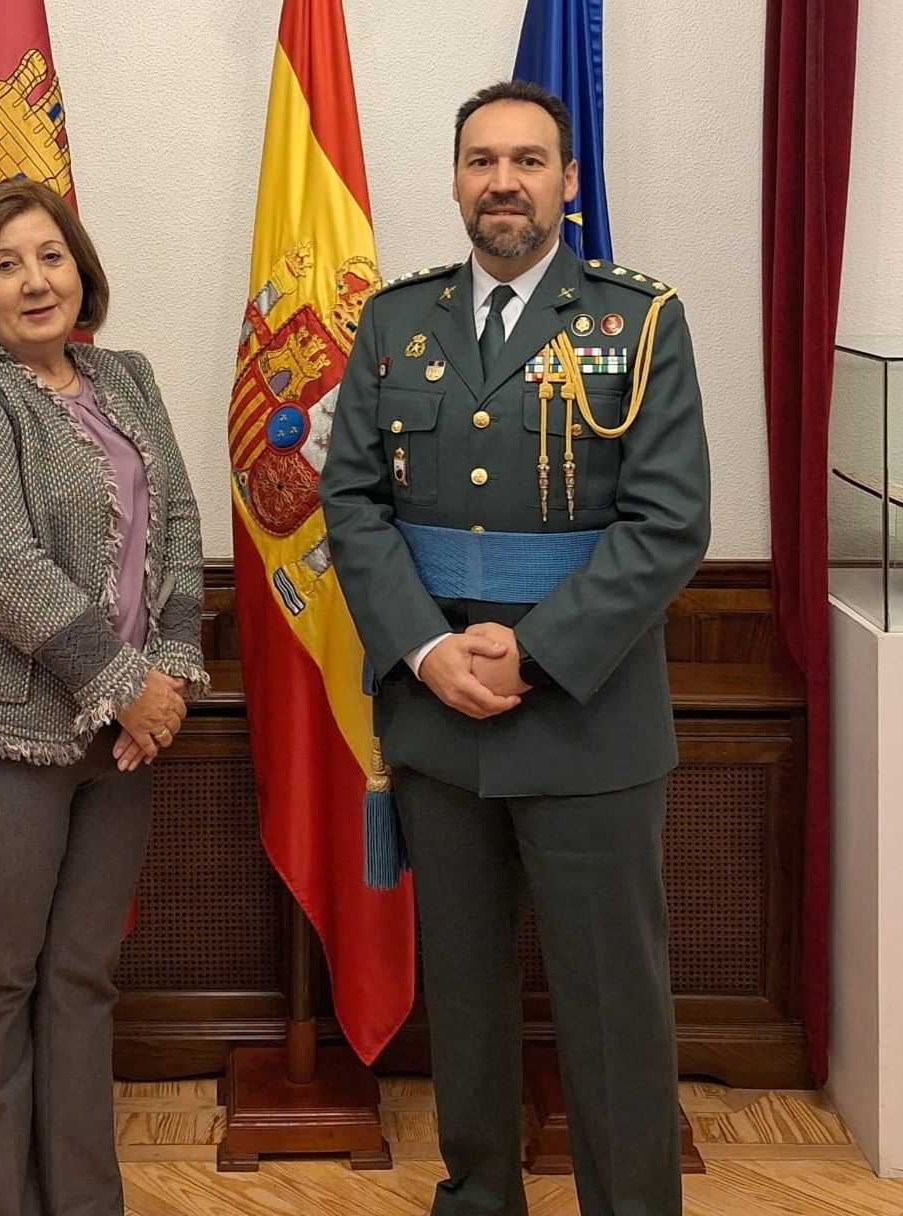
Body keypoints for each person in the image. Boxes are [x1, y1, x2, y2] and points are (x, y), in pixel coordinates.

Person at [319, 80, 711, 1216]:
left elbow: (667, 521)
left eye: (529, 161)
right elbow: (351, 505)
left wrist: (532, 657)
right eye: (482, 161)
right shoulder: (395, 321)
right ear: (453, 180)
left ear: (568, 182)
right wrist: (427, 653)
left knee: (608, 1002)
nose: (504, 182)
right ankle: (478, 1194)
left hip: (586, 716)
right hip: (436, 714)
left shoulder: (638, 320)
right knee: (469, 998)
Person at [0, 177, 207, 1216]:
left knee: (80, 981)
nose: (35, 281)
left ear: (81, 267)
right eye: (5, 263)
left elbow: (178, 528)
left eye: (50, 256)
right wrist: (125, 688)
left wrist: (168, 670)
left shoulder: (128, 375)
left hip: (119, 743)